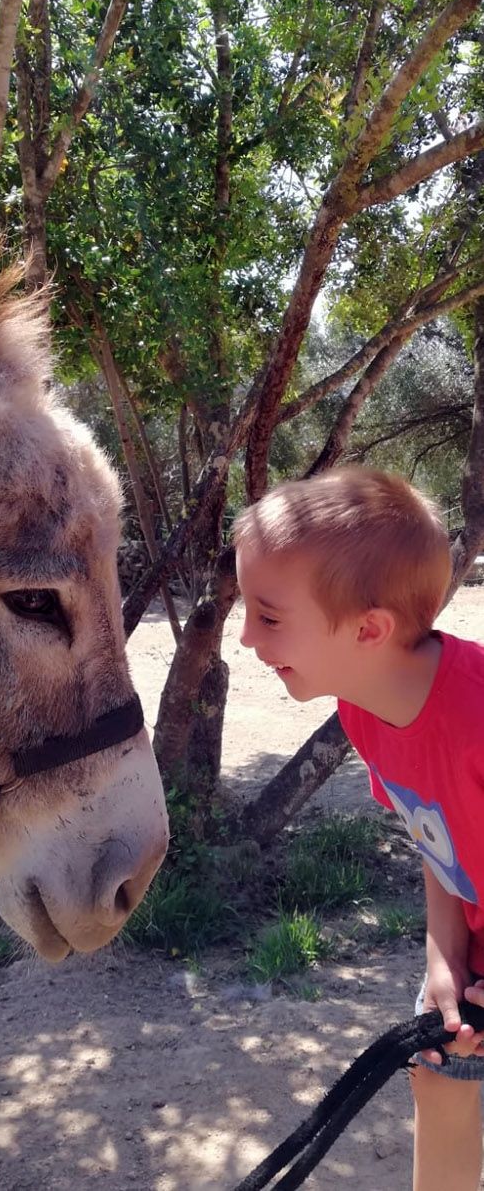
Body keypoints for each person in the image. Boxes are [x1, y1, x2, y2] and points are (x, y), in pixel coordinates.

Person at [234, 466, 484, 1191]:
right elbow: (440, 844)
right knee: (438, 1079)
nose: (246, 636)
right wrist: (445, 956)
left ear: (369, 629)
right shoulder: (362, 711)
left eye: (270, 615)